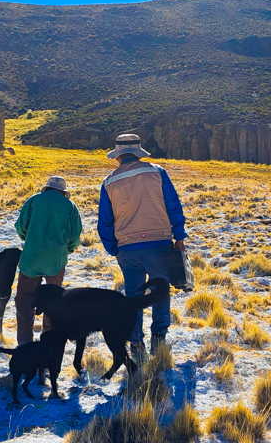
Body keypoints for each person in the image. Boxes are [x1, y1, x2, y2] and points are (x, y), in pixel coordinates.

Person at [97, 133, 186, 365]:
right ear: (138, 153)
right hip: (159, 243)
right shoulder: (157, 172)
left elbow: (105, 222)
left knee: (133, 297)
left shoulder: (108, 182)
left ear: (118, 157)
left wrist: (113, 249)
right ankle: (159, 338)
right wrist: (179, 237)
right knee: (160, 291)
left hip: (127, 248)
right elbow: (173, 206)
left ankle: (136, 342)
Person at [14, 175, 83, 344]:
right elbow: (75, 235)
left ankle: (25, 342)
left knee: (24, 298)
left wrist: (29, 240)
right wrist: (67, 250)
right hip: (56, 260)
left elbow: (20, 227)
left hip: (31, 257)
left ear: (47, 188)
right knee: (53, 300)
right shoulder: (70, 206)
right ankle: (49, 340)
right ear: (63, 191)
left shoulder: (33, 200)